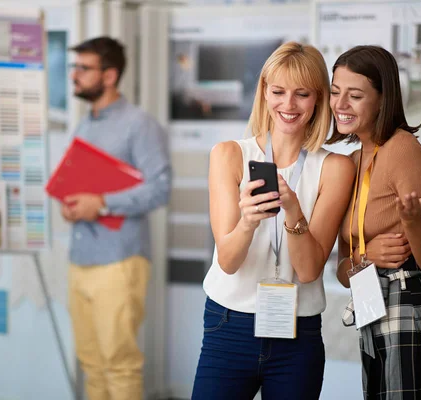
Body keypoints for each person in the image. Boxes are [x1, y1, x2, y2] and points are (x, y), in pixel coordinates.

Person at [192, 42, 355, 400]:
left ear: (318, 99)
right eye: (278, 91)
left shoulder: (336, 168)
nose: (288, 105)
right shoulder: (230, 155)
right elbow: (228, 261)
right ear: (264, 92)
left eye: (302, 94)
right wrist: (248, 221)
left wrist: (294, 210)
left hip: (298, 333)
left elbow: (309, 270)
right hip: (229, 324)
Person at [329, 45, 421, 399]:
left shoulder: (402, 149)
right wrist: (367, 256)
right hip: (373, 313)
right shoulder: (353, 160)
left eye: (355, 95)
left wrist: (412, 222)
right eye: (335, 92)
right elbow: (342, 271)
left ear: (383, 100)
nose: (340, 104)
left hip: (409, 313)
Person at [60, 37, 171, 400]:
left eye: (83, 68)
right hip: (81, 259)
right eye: (74, 67)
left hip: (119, 261)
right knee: (91, 365)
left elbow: (160, 188)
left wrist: (102, 203)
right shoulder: (85, 124)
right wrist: (72, 204)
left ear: (109, 75)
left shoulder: (139, 124)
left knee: (119, 365)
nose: (74, 75)